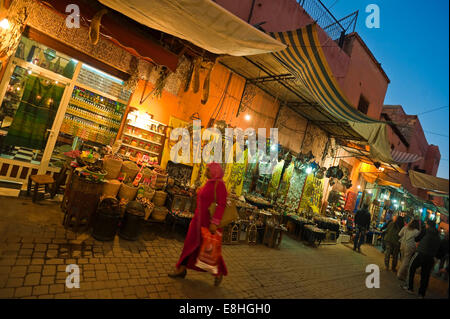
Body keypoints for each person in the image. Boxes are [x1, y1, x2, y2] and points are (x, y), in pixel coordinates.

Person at [168, 162, 228, 286]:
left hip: (208, 224)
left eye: (208, 170)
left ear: (215, 172)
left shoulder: (220, 185)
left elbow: (222, 205)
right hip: (197, 221)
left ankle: (219, 272)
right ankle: (181, 269)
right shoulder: (209, 183)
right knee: (189, 245)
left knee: (209, 249)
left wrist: (215, 222)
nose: (206, 172)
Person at [402, 220, 442, 298]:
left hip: (420, 254)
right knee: (425, 276)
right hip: (430, 257)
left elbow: (416, 239)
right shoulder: (438, 236)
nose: (425, 225)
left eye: (426, 224)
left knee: (411, 268)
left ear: (428, 225)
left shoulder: (425, 230)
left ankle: (409, 287)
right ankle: (421, 294)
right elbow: (439, 250)